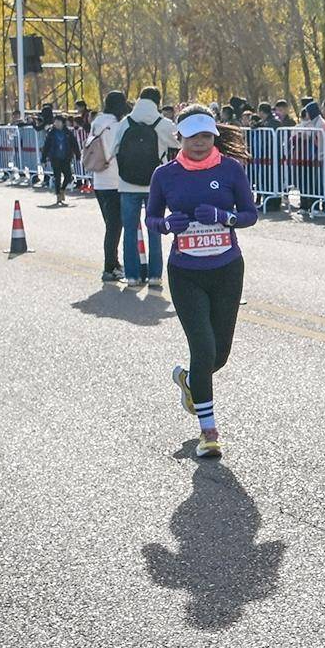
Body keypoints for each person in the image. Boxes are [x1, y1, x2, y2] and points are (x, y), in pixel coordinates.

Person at [147, 107, 259, 458]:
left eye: (206, 136)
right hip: (185, 272)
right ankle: (208, 432)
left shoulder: (230, 170)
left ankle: (190, 381)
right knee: (203, 349)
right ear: (179, 137)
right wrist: (167, 225)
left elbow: (250, 214)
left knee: (219, 354)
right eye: (193, 136)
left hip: (226, 269)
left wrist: (225, 217)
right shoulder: (165, 175)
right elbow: (151, 216)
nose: (200, 143)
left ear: (214, 136)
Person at [108, 86, 177, 290]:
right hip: (155, 184)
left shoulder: (125, 122)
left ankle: (132, 276)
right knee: (154, 230)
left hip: (127, 184)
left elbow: (112, 151)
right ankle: (155, 275)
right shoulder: (163, 124)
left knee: (130, 231)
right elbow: (178, 144)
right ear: (157, 101)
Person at [89, 90, 131, 282]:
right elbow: (119, 150)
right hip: (114, 180)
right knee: (114, 227)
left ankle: (114, 263)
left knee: (111, 225)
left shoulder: (96, 123)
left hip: (99, 179)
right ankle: (110, 267)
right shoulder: (115, 126)